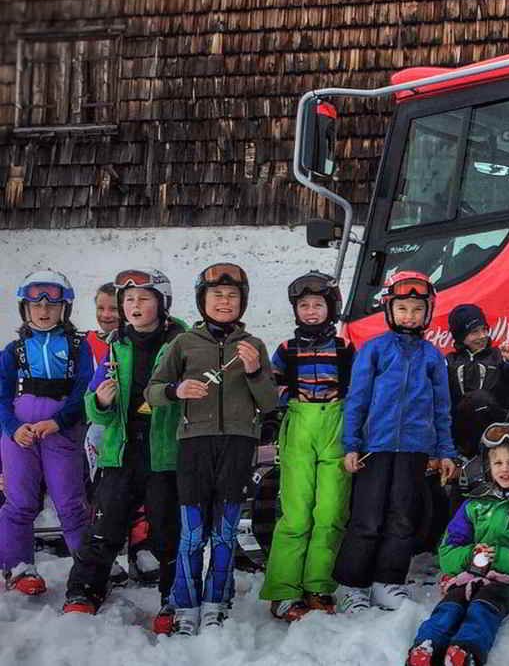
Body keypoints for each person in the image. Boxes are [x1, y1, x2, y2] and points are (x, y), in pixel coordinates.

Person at [144, 262, 276, 634]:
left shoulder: (254, 346)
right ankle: (186, 605)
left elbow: (268, 402)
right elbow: (152, 391)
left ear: (243, 302)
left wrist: (253, 372)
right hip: (194, 446)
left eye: (232, 296)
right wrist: (177, 390)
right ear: (203, 300)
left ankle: (217, 602)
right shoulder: (183, 343)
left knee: (225, 532)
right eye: (216, 295)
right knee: (191, 533)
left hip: (238, 445)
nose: (224, 301)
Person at [62, 270, 185, 633]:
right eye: (129, 300)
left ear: (162, 304)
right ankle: (84, 590)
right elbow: (92, 403)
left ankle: (175, 597)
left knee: (167, 528)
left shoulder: (182, 342)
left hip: (165, 451)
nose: (134, 306)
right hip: (122, 448)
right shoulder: (117, 344)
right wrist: (100, 401)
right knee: (106, 523)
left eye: (144, 299)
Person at [335, 270, 458, 614]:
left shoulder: (432, 356)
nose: (410, 316)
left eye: (417, 309)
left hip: (415, 450)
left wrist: (444, 451)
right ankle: (352, 585)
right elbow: (356, 400)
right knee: (367, 517)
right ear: (389, 310)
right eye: (402, 308)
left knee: (403, 517)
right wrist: (351, 445)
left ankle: (387, 581)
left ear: (428, 312)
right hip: (375, 448)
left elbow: (441, 408)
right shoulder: (374, 350)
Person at [405, 423, 509, 666]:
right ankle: (426, 646)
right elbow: (448, 551)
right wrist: (471, 555)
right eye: (498, 463)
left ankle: (466, 650)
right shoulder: (475, 504)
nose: (505, 469)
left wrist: (501, 558)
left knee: (484, 604)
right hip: (473, 576)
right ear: (487, 466)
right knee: (452, 602)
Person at [258, 272, 356, 620]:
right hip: (300, 424)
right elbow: (271, 383)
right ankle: (284, 590)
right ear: (296, 310)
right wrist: (288, 399)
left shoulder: (345, 348)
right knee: (297, 511)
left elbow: (357, 392)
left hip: (336, 425)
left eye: (318, 305)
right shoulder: (287, 349)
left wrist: (355, 430)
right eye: (304, 306)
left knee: (330, 511)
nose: (311, 311)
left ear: (332, 309)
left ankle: (318, 585)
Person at [0, 270, 94, 595]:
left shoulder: (78, 347)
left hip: (61, 430)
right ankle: (19, 568)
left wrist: (58, 422)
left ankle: (87, 571)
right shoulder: (13, 351)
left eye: (52, 306)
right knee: (19, 502)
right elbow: (0, 396)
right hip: (20, 434)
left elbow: (84, 390)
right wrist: (13, 430)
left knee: (70, 501)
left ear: (64, 309)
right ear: (24, 308)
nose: (43, 311)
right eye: (35, 304)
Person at [447, 303, 509, 458]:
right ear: (460, 335)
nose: (482, 336)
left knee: (481, 400)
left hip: (497, 427)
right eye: (474, 332)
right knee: (473, 402)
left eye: (484, 329)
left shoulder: (497, 356)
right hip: (462, 430)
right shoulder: (450, 362)